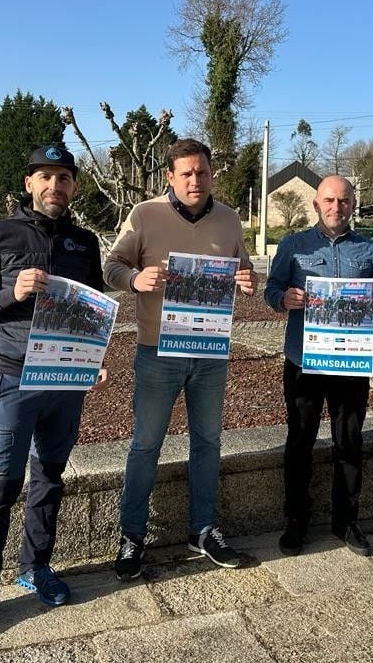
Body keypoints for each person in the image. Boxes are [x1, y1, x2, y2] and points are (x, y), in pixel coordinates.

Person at [0, 142, 108, 644]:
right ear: (29, 184)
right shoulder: (1, 234)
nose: (55, 186)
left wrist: (92, 358)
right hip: (14, 377)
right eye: (45, 177)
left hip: (66, 380)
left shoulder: (85, 242)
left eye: (64, 177)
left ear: (74, 186)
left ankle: (35, 566)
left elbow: (94, 305)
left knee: (50, 478)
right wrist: (10, 294)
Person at [104, 138, 257, 580]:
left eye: (202, 172)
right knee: (146, 444)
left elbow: (241, 267)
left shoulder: (229, 218)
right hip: (157, 351)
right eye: (186, 173)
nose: (195, 180)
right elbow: (110, 267)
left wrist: (246, 279)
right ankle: (132, 534)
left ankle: (204, 529)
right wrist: (135, 278)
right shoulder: (144, 215)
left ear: (212, 174)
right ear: (169, 176)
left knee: (208, 442)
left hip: (210, 351)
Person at [264, 175, 373, 557]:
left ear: (353, 204)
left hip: (350, 361)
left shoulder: (368, 249)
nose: (337, 207)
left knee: (349, 441)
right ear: (316, 204)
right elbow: (271, 290)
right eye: (329, 200)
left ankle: (346, 520)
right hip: (304, 359)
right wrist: (284, 297)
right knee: (300, 441)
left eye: (344, 201)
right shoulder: (293, 245)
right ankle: (296, 521)